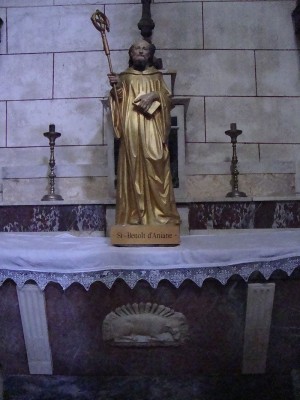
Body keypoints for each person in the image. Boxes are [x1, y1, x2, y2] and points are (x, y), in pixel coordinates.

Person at [108, 39, 180, 226]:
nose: (140, 51)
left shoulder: (156, 76)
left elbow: (167, 98)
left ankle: (160, 217)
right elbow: (119, 101)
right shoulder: (124, 76)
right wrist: (115, 88)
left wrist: (155, 95)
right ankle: (133, 216)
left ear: (150, 55)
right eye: (137, 49)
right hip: (131, 126)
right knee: (132, 167)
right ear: (131, 54)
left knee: (157, 160)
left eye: (145, 49)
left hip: (152, 126)